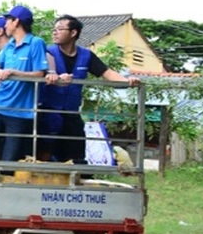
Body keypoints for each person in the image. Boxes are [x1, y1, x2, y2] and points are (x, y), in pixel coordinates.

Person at [40, 14, 139, 163]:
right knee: (45, 154)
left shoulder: (86, 55)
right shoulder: (47, 53)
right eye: (54, 29)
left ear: (73, 33)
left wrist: (127, 81)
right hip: (48, 112)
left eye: (60, 29)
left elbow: (107, 73)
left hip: (72, 113)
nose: (55, 32)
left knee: (76, 155)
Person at [0, 5, 49, 162]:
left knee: (10, 158)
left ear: (16, 22)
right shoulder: (9, 45)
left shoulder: (36, 43)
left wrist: (14, 72)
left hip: (20, 112)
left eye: (7, 20)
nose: (5, 24)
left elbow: (40, 73)